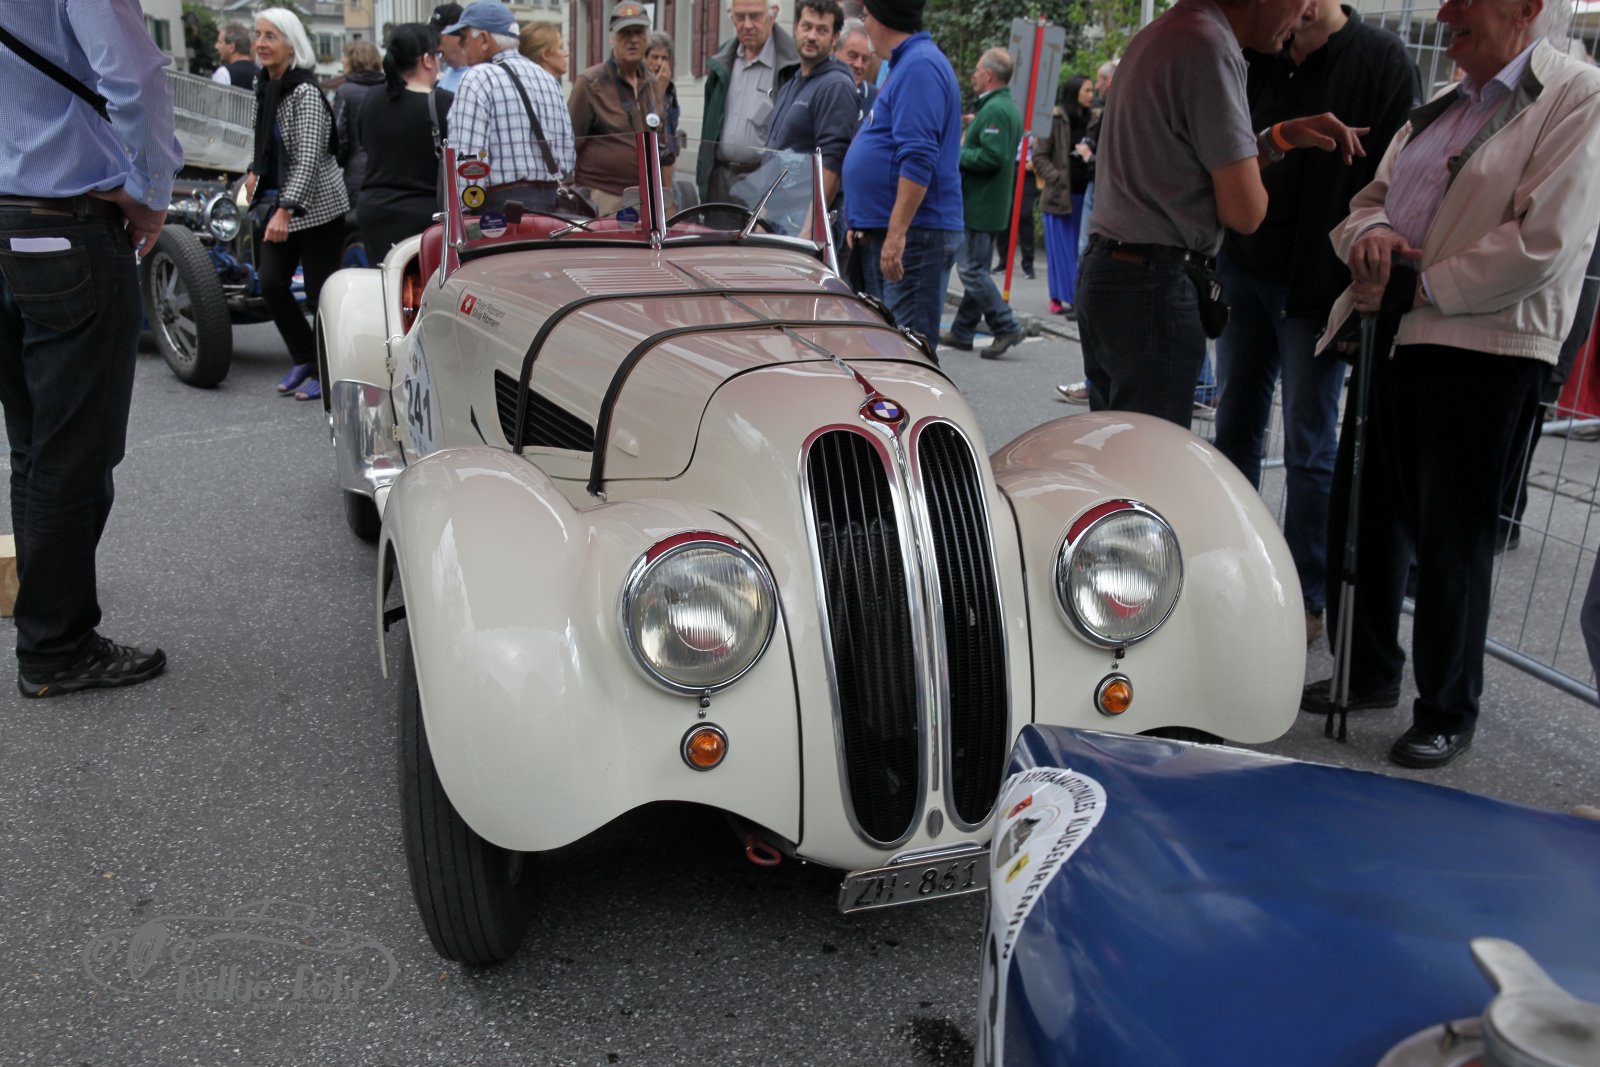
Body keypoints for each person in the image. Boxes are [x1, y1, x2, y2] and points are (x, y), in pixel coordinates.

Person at [1301, 0, 1600, 769]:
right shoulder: (1443, 103)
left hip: (1486, 346)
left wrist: (1421, 284)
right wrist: (1371, 238)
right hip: (1398, 329)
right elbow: (1369, 202)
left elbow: (1545, 240)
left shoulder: (1576, 95)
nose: (1444, 12)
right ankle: (1367, 669)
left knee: (1451, 539)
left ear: (1525, 8)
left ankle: (1446, 707)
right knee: (1370, 518)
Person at [1211, 0, 1417, 648]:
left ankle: (1306, 595)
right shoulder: (1257, 54)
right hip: (1245, 268)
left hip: (1320, 287)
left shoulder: (1381, 60)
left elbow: (1398, 180)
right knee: (1234, 431)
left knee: (1308, 444)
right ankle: (1233, 580)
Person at [0, 0, 180, 695]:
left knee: (36, 447)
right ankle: (56, 646)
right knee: (73, 453)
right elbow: (135, 76)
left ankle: (48, 627)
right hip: (63, 222)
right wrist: (151, 192)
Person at [1072, 0, 1364, 427]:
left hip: (1112, 270)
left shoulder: (1164, 34)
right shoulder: (1210, 47)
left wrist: (1280, 137)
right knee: (1152, 455)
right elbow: (1245, 211)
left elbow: (1189, 168)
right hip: (1153, 283)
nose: (1306, 13)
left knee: (1120, 450)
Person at [840, 0, 963, 346]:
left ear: (883, 17)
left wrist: (896, 234)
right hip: (893, 231)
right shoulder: (907, 64)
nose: (864, 24)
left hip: (916, 235)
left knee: (905, 353)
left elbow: (919, 156)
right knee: (882, 347)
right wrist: (862, 220)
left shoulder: (920, 65)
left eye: (866, 16)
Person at [247, 7, 348, 403]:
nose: (261, 43)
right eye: (258, 34)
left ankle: (327, 370)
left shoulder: (304, 92)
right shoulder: (264, 85)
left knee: (321, 294)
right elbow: (264, 143)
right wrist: (254, 170)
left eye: (271, 36)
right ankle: (305, 356)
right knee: (271, 282)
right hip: (279, 200)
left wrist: (286, 209)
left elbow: (308, 158)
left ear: (292, 45)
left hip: (317, 207)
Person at [444, 0, 575, 214]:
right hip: (551, 208)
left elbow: (468, 164)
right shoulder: (548, 80)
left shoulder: (477, 78)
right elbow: (568, 158)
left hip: (500, 211)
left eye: (464, 38)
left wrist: (465, 212)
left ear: (484, 39)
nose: (461, 46)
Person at [939, 48, 1023, 359]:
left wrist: (957, 152)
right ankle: (963, 331)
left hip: (980, 204)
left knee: (972, 270)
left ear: (989, 75)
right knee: (979, 268)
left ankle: (1006, 324)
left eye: (977, 70)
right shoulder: (1001, 107)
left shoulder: (996, 110)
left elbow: (992, 156)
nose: (973, 75)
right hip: (990, 203)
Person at [568, 1, 676, 214]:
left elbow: (661, 143)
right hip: (603, 199)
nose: (633, 39)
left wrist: (667, 198)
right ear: (612, 39)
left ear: (648, 36)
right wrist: (572, 198)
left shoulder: (652, 83)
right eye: (625, 33)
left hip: (647, 198)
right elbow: (567, 145)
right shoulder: (590, 83)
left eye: (639, 32)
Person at [357, 23, 452, 262]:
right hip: (424, 216)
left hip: (374, 210)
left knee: (383, 281)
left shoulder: (371, 98)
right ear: (427, 60)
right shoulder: (444, 104)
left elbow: (364, 143)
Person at [698, 0, 800, 202]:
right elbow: (708, 127)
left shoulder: (790, 64)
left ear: (773, 15)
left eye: (754, 16)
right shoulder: (722, 60)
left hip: (763, 184)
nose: (747, 25)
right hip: (720, 182)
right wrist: (703, 180)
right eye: (739, 17)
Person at [765, 0, 857, 205]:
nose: (812, 36)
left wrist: (812, 223)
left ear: (835, 38)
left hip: (804, 217)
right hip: (777, 212)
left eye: (822, 30)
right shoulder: (791, 84)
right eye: (807, 26)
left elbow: (832, 163)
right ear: (796, 28)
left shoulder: (836, 86)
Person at [1034, 73, 1094, 320]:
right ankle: (1061, 296)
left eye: (1092, 90)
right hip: (1059, 196)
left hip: (1085, 195)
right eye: (1087, 90)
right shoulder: (1055, 117)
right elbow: (1039, 156)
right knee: (1061, 251)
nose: (1091, 95)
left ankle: (1076, 296)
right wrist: (1057, 177)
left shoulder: (1095, 119)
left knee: (1080, 250)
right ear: (1074, 91)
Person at [334, 39, 386, 207]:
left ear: (355, 60)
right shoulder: (388, 89)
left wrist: (340, 160)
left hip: (356, 173)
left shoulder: (345, 91)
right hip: (386, 173)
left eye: (345, 56)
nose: (342, 60)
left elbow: (338, 136)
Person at [646, 32, 683, 158]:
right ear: (644, 58)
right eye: (655, 57)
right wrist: (659, 91)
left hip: (667, 158)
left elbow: (672, 124)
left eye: (664, 58)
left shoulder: (670, 88)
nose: (660, 63)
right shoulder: (638, 86)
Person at [835, 18, 876, 121]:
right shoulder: (818, 89)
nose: (859, 65)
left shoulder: (877, 99)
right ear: (835, 50)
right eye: (852, 56)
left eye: (865, 59)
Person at [429, 4, 468, 92]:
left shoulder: (478, 78)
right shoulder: (447, 73)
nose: (434, 41)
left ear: (459, 35)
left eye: (438, 36)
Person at [212, 21, 259, 87]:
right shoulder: (261, 75)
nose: (216, 46)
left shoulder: (224, 73)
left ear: (232, 47)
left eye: (220, 42)